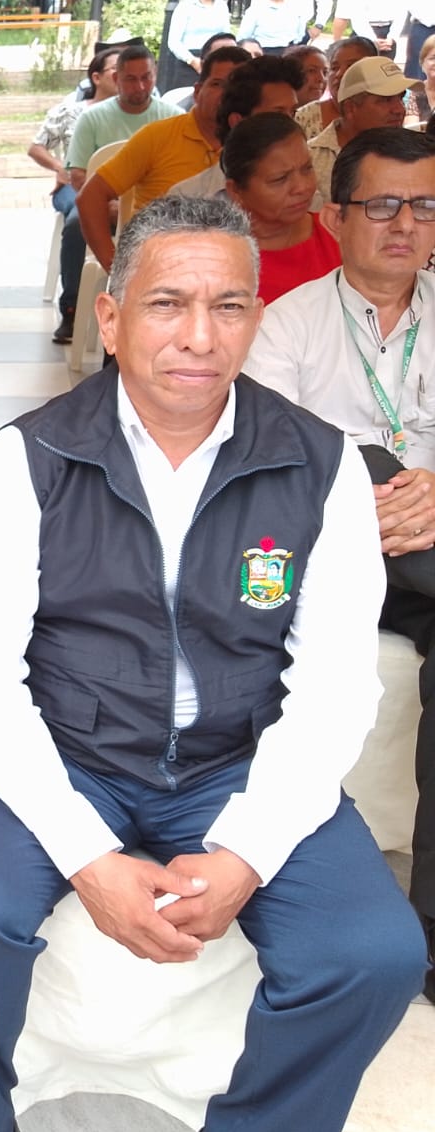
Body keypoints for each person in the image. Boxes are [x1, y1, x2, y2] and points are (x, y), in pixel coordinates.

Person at [0, 193, 426, 1132]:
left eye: (228, 306)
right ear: (109, 318)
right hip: (69, 751)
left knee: (372, 953)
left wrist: (246, 852)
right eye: (166, 304)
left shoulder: (316, 463)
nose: (199, 336)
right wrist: (87, 856)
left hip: (235, 757)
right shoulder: (32, 457)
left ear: (255, 318)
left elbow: (333, 683)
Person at [244, 127, 435, 1004]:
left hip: (425, 556)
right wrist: (374, 492)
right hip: (323, 554)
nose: (406, 225)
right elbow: (271, 465)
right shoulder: (288, 323)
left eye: (425, 206)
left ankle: (428, 922)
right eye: (383, 205)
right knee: (363, 462)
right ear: (337, 216)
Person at [78, 46, 253, 272]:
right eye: (217, 84)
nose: (227, 94)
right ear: (198, 91)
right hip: (158, 267)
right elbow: (90, 197)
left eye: (236, 87)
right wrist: (117, 271)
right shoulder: (157, 137)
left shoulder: (256, 145)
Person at [56, 44, 183, 343]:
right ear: (116, 78)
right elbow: (78, 174)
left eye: (146, 77)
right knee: (75, 226)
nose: (140, 86)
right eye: (131, 79)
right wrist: (112, 205)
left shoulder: (174, 118)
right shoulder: (92, 118)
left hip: (156, 210)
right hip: (104, 205)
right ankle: (71, 308)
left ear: (155, 75)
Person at [222, 113, 339, 301]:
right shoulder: (219, 263)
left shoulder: (338, 234)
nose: (302, 187)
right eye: (280, 179)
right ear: (236, 191)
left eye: (307, 168)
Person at [168, 54, 305, 199]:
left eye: (293, 112)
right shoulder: (187, 198)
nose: (290, 124)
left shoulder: (306, 192)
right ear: (238, 122)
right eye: (278, 115)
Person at [29, 48, 121, 223]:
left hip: (124, 186)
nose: (123, 75)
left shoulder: (139, 114)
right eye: (116, 68)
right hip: (75, 185)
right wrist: (60, 167)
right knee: (82, 215)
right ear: (96, 78)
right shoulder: (70, 111)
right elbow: (36, 148)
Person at [309, 55, 417, 200]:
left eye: (401, 98)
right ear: (350, 108)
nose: (399, 109)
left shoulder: (417, 155)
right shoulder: (310, 160)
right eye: (385, 100)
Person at [296, 36, 376, 139]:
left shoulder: (388, 114)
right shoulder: (303, 118)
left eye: (351, 66)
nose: (339, 74)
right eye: (334, 68)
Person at [164, 0, 236, 92]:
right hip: (189, 62)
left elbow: (226, 36)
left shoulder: (221, 6)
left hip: (216, 60)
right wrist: (192, 61)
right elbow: (174, 42)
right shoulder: (185, 6)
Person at [239, 0, 313, 50]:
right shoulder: (255, 10)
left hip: (288, 52)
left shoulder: (296, 10)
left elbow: (300, 35)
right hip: (263, 52)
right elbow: (243, 38)